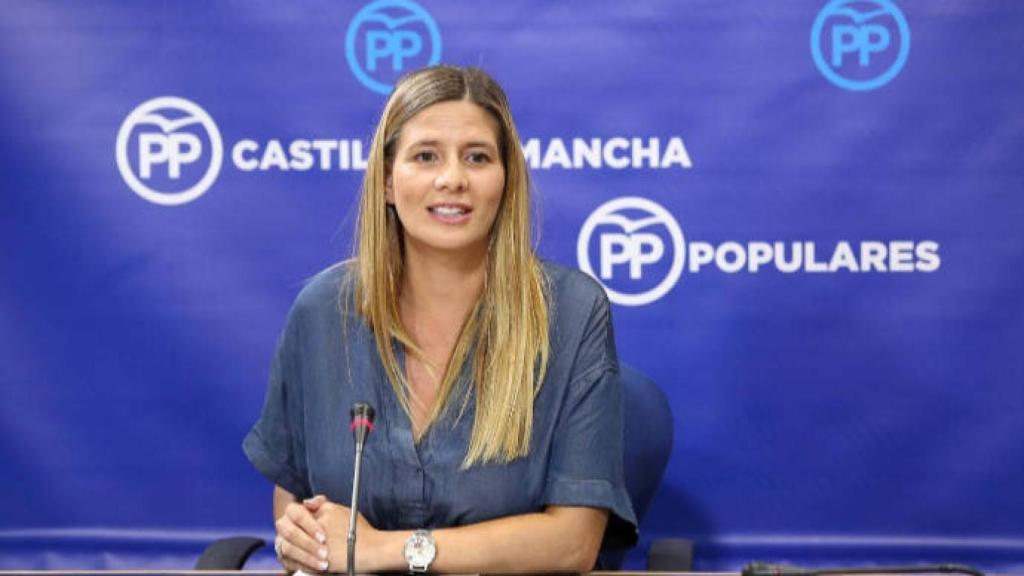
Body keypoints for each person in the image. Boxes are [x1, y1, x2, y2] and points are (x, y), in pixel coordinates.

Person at [243, 65, 636, 574]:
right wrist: (302, 541)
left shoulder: (572, 312)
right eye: (426, 156)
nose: (452, 179)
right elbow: (295, 502)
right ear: (387, 180)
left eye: (477, 157)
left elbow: (573, 544)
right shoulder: (322, 311)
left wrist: (389, 550)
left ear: (505, 179)